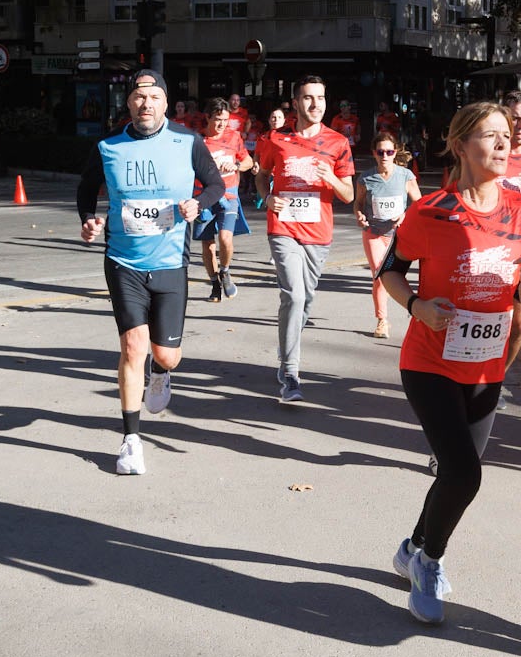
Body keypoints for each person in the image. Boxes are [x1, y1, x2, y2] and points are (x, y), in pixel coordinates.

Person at [378, 100, 521, 624]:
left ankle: (413, 546)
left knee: (457, 474)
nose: (503, 144)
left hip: (487, 366)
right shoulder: (430, 211)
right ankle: (429, 564)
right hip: (429, 361)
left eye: (507, 135)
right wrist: (416, 306)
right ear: (459, 146)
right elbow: (391, 270)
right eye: (489, 135)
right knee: (464, 471)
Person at [76, 69, 224, 475]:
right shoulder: (108, 145)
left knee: (166, 355)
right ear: (128, 104)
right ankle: (130, 441)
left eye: (154, 97)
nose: (146, 104)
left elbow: (215, 185)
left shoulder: (187, 141)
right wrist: (89, 218)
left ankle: (161, 374)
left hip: (171, 262)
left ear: (164, 102)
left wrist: (199, 205)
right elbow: (86, 188)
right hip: (123, 262)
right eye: (139, 97)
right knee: (132, 348)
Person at [256, 75, 356, 403]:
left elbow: (348, 195)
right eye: (309, 98)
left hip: (318, 233)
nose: (316, 105)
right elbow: (262, 175)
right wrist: (267, 198)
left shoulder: (338, 143)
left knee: (306, 300)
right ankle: (291, 373)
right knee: (294, 297)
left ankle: (288, 348)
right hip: (283, 227)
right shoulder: (275, 139)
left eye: (321, 98)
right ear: (296, 103)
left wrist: (331, 179)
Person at [355, 130, 423, 338]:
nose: (384, 156)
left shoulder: (405, 175)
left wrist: (404, 215)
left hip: (399, 234)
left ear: (395, 153)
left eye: (389, 152)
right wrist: (359, 216)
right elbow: (358, 204)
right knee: (379, 274)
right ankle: (382, 321)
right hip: (374, 233)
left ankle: (417, 311)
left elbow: (419, 204)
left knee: (397, 275)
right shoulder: (366, 178)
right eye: (380, 152)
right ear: (374, 154)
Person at [193, 97, 255, 302]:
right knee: (208, 245)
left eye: (226, 120)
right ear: (208, 117)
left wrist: (236, 166)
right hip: (203, 197)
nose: (222, 124)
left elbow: (247, 161)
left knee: (225, 239)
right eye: (218, 119)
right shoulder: (197, 140)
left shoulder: (234, 137)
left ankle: (225, 271)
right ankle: (214, 284)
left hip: (228, 195)